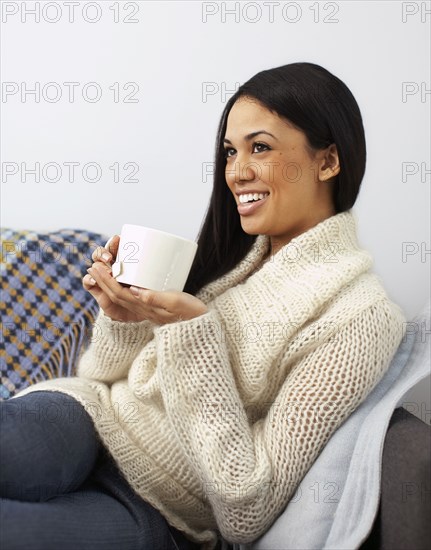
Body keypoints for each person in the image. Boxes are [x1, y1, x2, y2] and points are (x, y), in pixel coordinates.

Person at [0, 62, 406, 550]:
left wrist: (191, 332)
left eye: (260, 147)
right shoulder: (230, 260)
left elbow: (247, 508)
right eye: (231, 151)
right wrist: (123, 318)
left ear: (328, 161)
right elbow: (99, 376)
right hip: (86, 418)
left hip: (158, 509)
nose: (236, 171)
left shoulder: (362, 317)